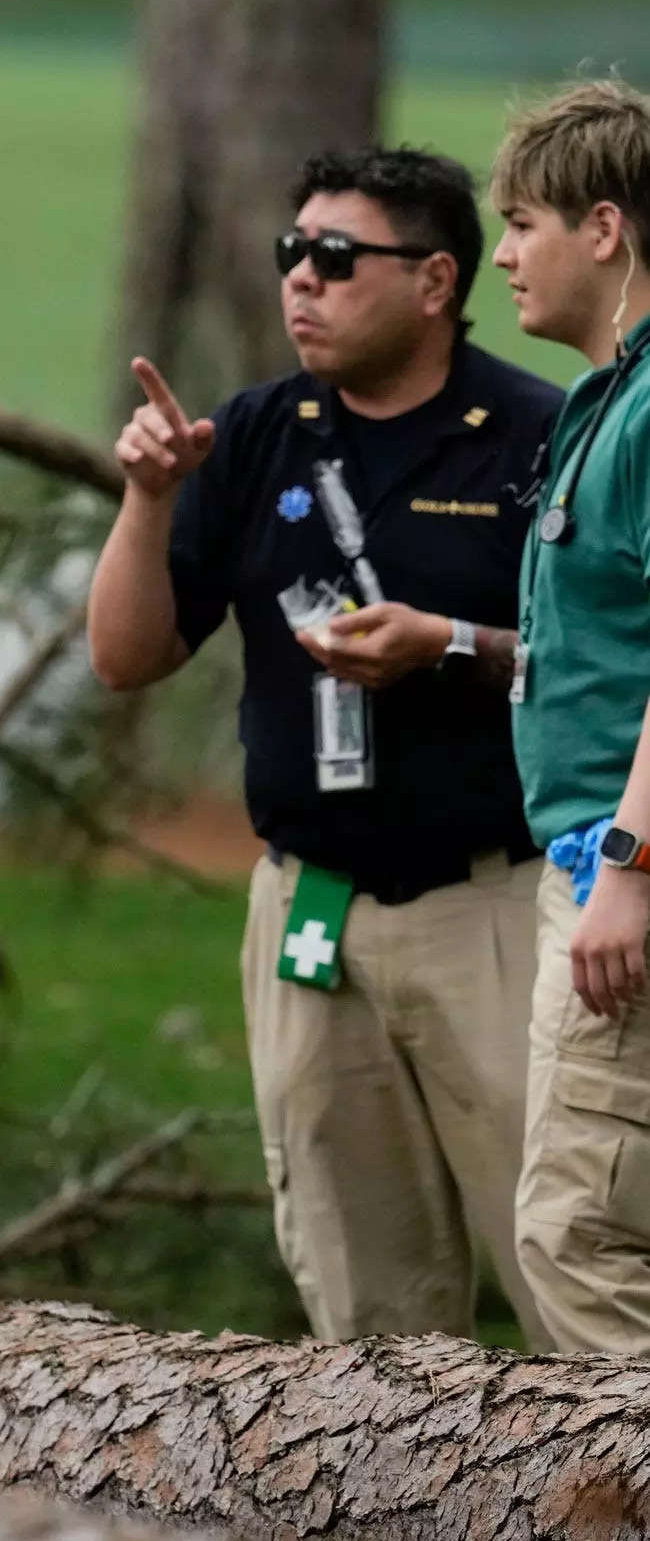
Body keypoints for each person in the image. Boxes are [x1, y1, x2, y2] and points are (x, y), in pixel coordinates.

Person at [86, 148, 558, 1344]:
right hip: (311, 912)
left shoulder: (533, 437)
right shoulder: (253, 434)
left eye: (338, 258)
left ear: (438, 279)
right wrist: (147, 500)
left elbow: (597, 666)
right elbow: (127, 656)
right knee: (367, 1321)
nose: (304, 279)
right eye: (292, 253)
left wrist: (449, 646)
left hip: (493, 908)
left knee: (571, 1265)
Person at [493, 79, 650, 1353]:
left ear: (605, 228)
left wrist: (631, 867)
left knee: (581, 1238)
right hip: (598, 865)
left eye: (523, 223)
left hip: (627, 873)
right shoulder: (608, 395)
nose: (501, 254)